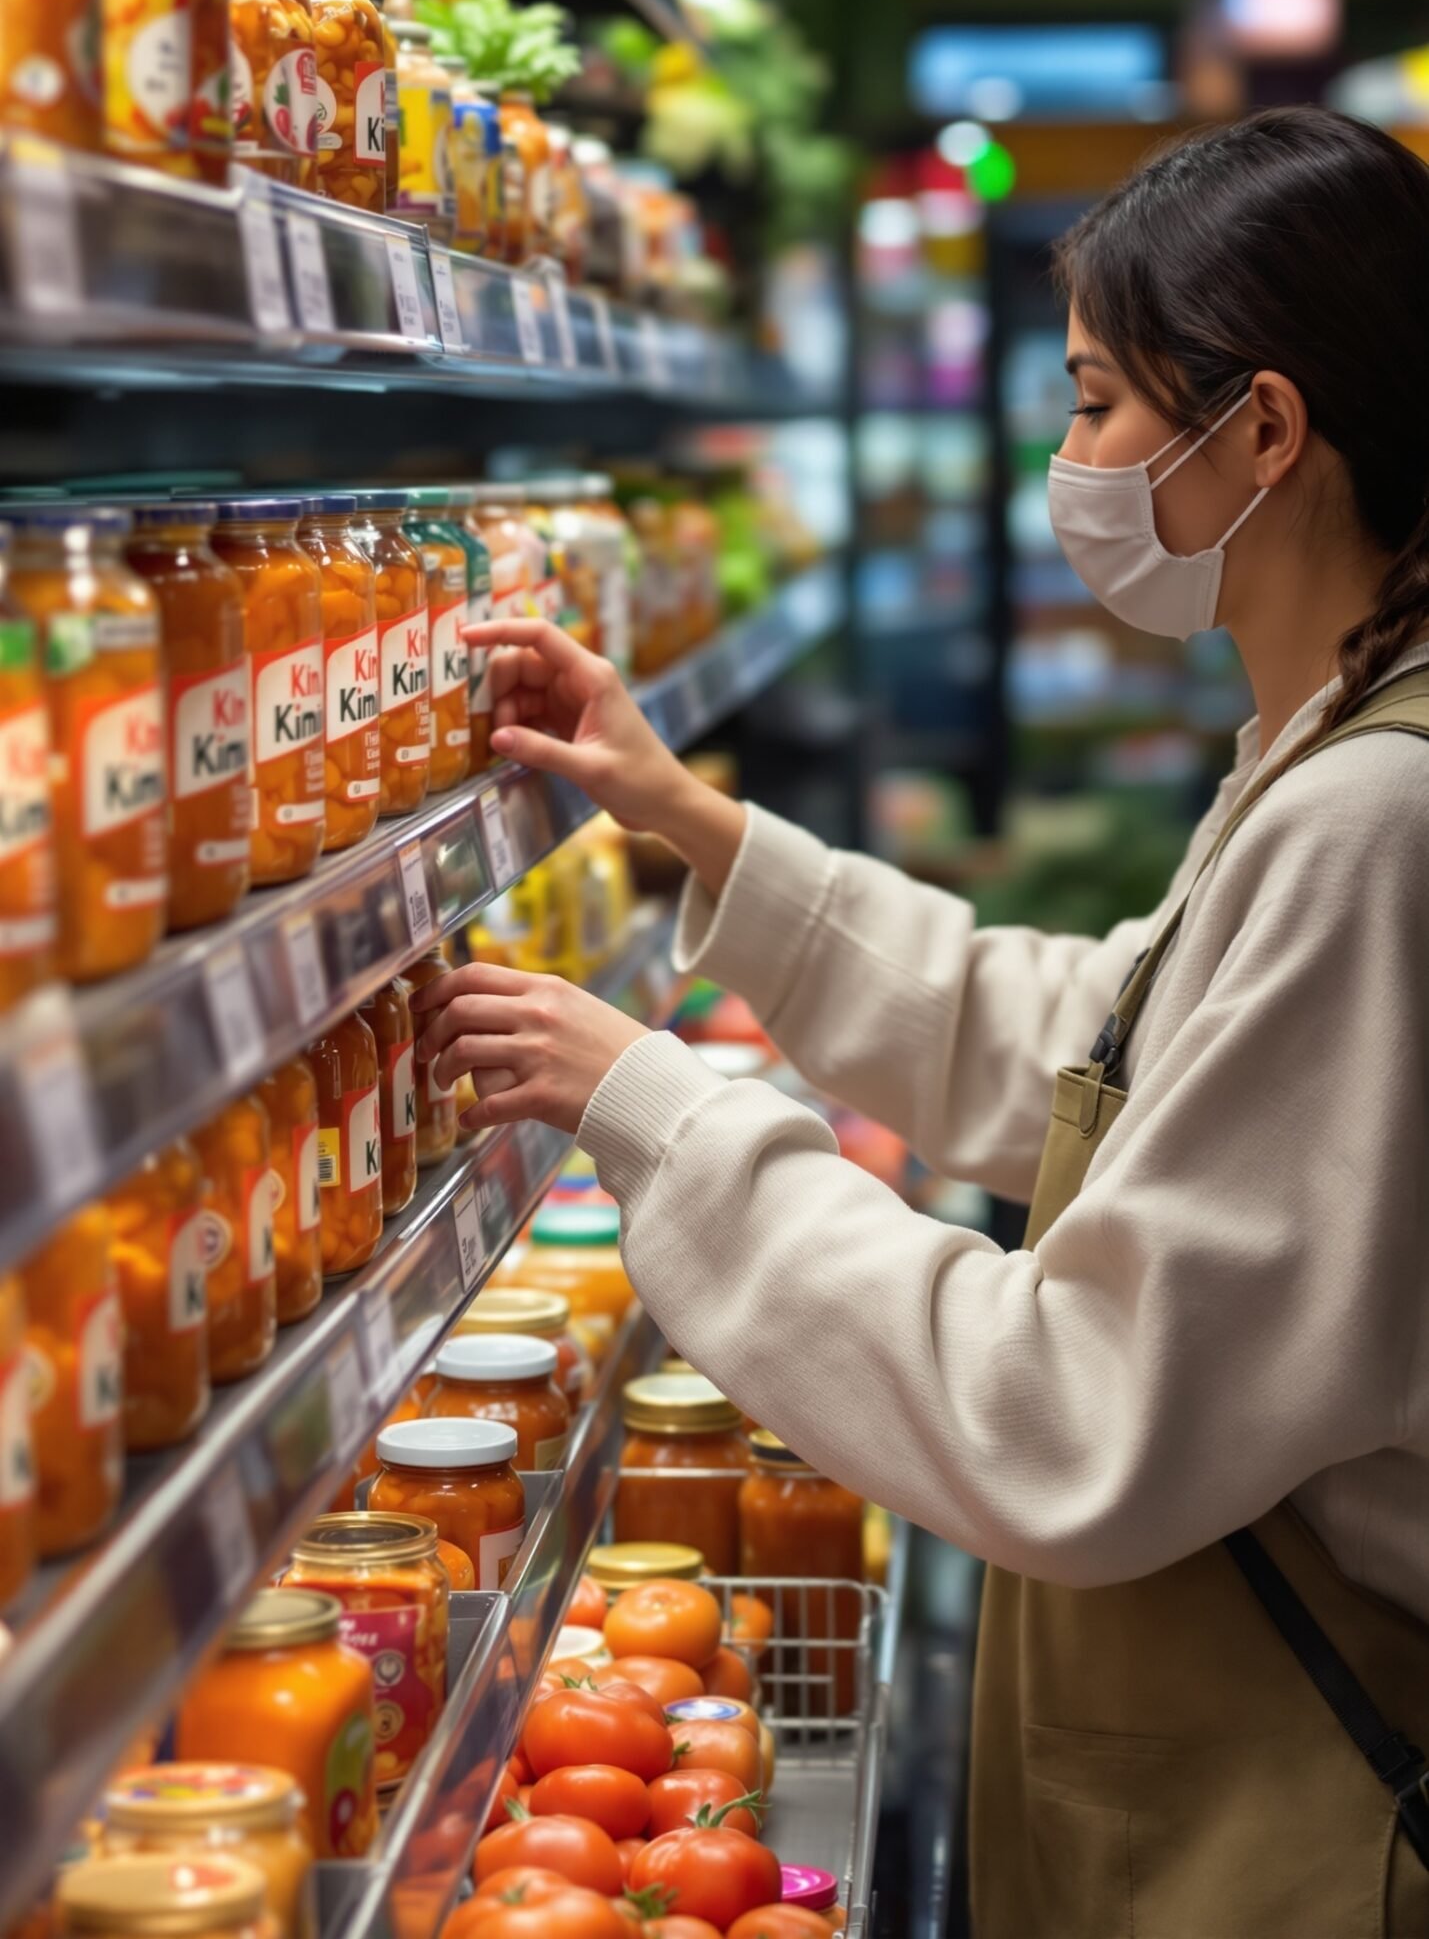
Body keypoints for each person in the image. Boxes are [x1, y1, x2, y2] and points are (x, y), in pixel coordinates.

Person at [413, 108, 1429, 1938]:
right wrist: (696, 824)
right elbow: (1098, 1046)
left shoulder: (1378, 822)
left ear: (1264, 432)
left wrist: (658, 1113)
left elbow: (1069, 1405)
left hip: (1303, 1807)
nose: (1069, 462)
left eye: (1100, 405)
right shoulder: (1325, 750)